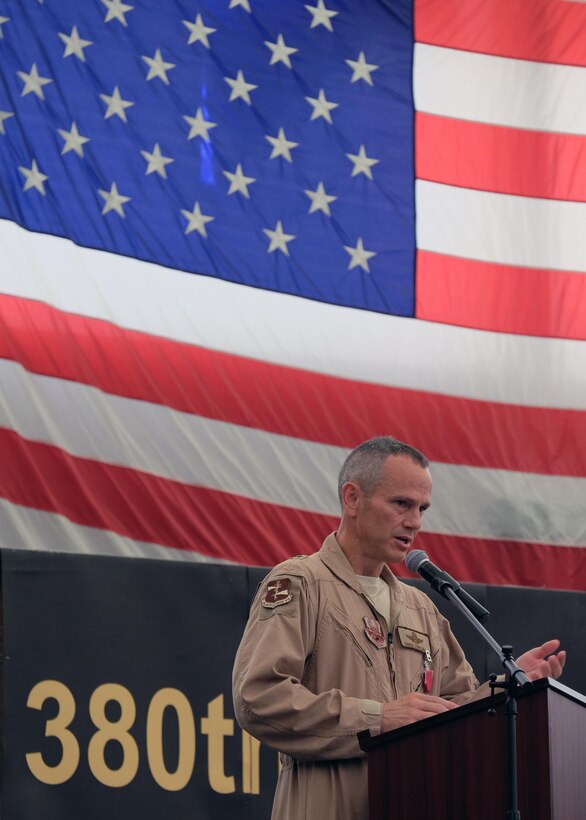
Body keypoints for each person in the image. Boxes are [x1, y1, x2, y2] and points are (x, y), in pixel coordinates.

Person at [232, 437, 566, 820]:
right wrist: (377, 718)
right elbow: (259, 698)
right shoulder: (302, 582)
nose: (415, 522)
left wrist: (506, 689)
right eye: (401, 504)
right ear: (353, 498)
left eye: (422, 508)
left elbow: (451, 714)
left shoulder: (421, 608)